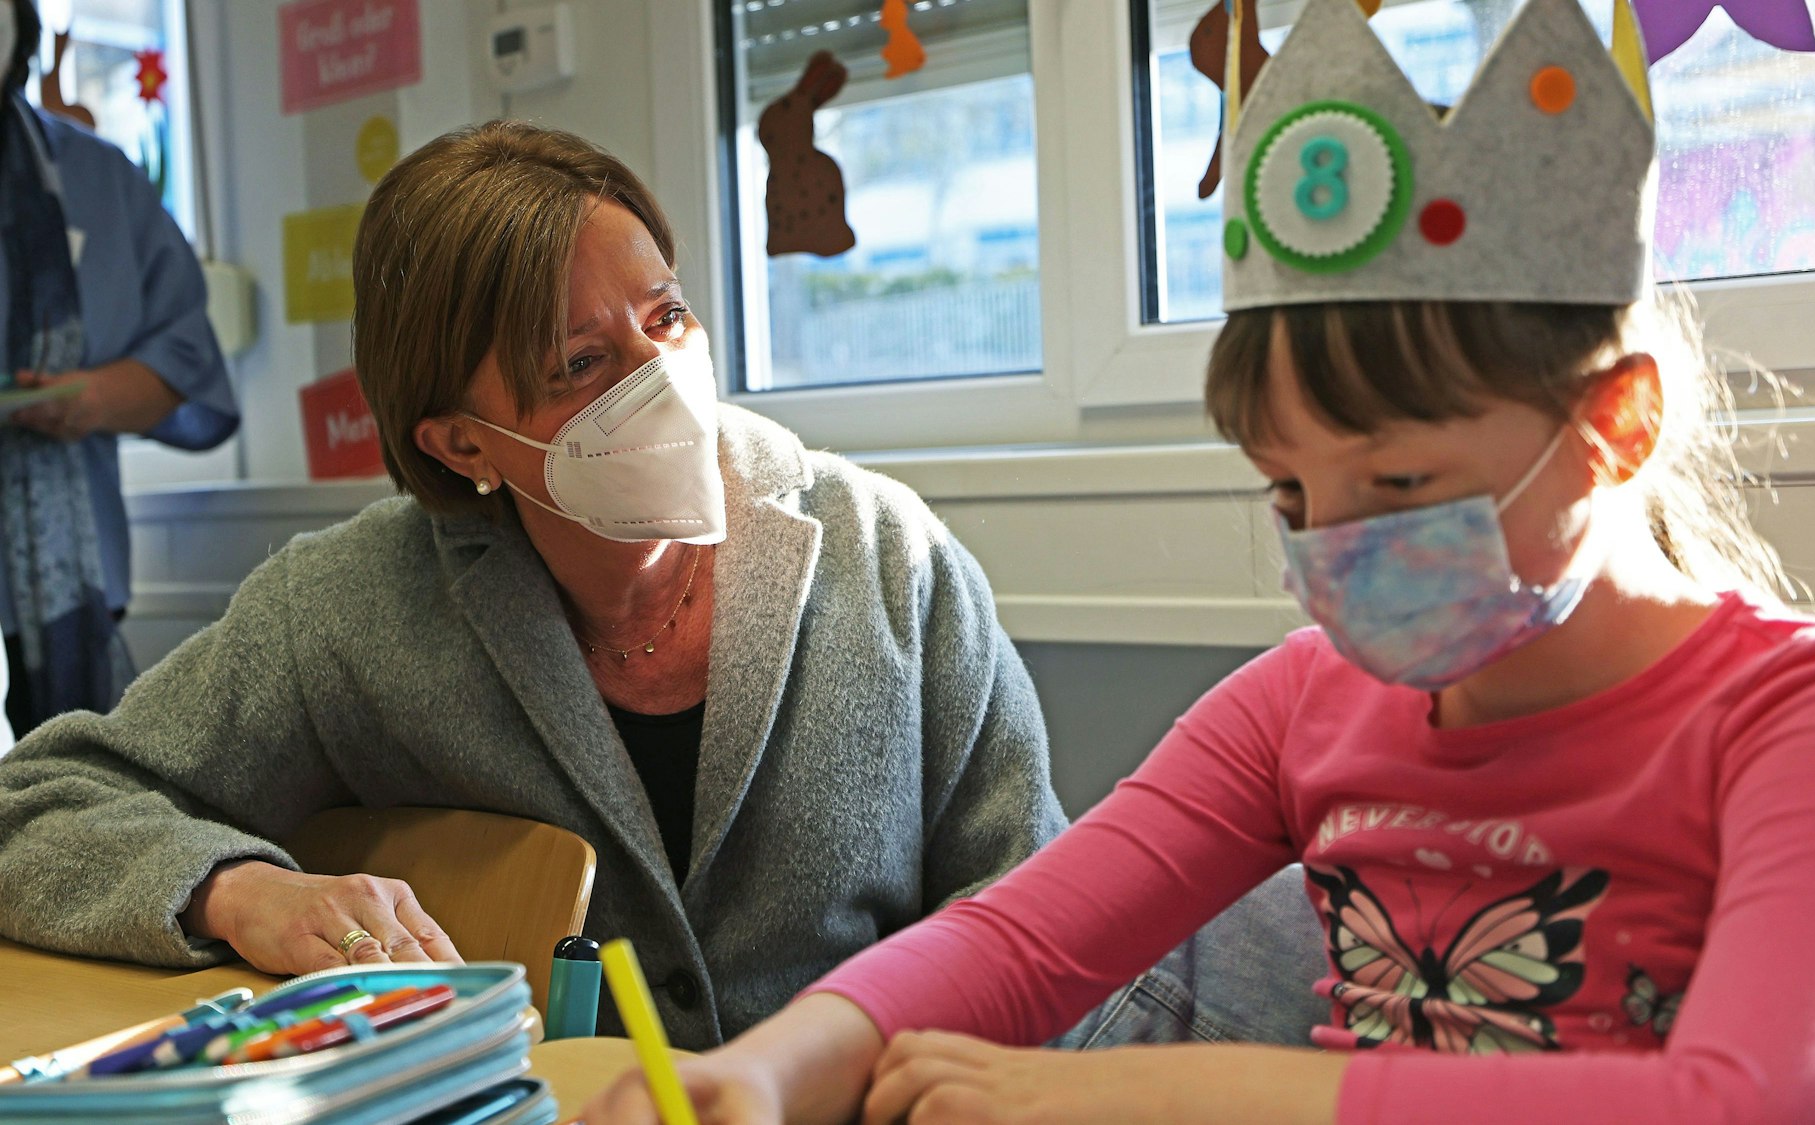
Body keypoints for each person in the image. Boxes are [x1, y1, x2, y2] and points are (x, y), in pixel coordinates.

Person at [580, 0, 1815, 1119]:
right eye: (1293, 494)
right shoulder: (1303, 707)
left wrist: (1162, 1092)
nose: (1339, 545)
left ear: (1617, 422)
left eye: (1403, 482)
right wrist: (760, 1069)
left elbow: (1758, 1100)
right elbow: (1021, 940)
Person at [0, 120, 1067, 1047]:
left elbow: (1036, 906)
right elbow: (36, 808)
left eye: (666, 316)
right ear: (462, 441)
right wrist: (240, 891)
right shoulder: (347, 608)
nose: (659, 379)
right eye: (580, 365)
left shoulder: (886, 557)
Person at [0, 0, 238, 740]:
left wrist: (89, 400)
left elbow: (188, 355)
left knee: (77, 802)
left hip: (77, 578)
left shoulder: (99, 180)